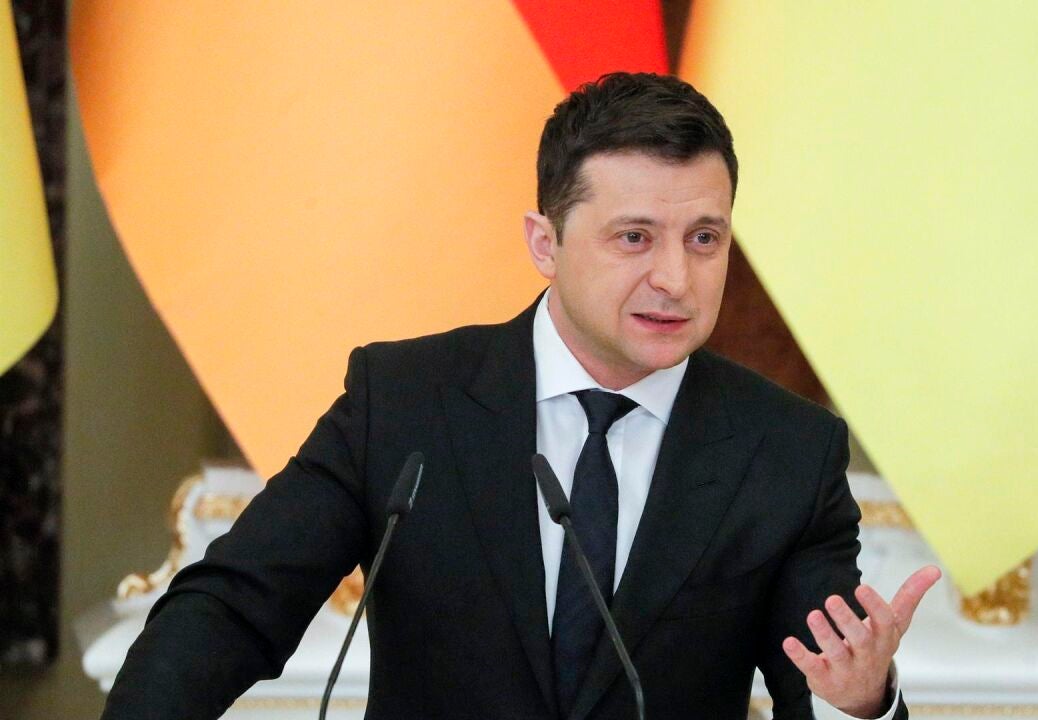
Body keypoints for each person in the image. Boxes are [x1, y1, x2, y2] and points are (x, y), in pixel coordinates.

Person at [102, 72, 939, 720]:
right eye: (635, 237)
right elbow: (231, 609)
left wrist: (864, 700)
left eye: (704, 238)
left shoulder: (787, 449)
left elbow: (822, 675)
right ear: (546, 243)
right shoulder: (404, 403)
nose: (676, 279)